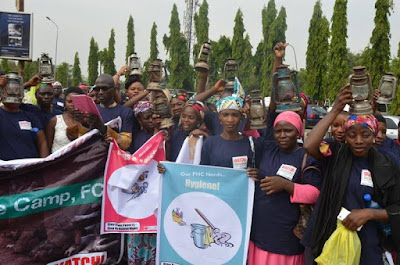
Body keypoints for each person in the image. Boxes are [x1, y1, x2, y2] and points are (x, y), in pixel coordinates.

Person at [303, 86, 400, 265]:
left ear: (373, 135)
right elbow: (309, 146)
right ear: (345, 136)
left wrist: (369, 213)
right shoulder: (335, 153)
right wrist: (335, 110)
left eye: (365, 135)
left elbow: (396, 208)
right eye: (352, 135)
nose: (358, 141)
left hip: (368, 247)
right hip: (331, 242)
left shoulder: (386, 163)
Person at [249, 111, 322, 265]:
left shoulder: (306, 156)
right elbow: (246, 133)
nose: (282, 135)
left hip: (286, 235)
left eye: (288, 131)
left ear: (298, 132)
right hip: (260, 229)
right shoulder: (267, 148)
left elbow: (315, 193)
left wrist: (286, 185)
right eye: (278, 131)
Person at [0, 73, 49, 160]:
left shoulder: (30, 116)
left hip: (29, 169)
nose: (13, 95)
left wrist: (44, 164)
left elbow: (42, 142)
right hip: (5, 170)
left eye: (16, 92)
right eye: (9, 92)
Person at [200, 96, 254, 168]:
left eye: (235, 115)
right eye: (225, 115)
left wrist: (254, 172)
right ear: (219, 117)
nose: (230, 120)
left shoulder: (249, 143)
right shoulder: (210, 143)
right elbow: (203, 172)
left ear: (241, 117)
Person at [85, 74, 133, 151]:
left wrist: (103, 128)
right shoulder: (91, 111)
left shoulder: (125, 112)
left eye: (104, 88)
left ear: (114, 90)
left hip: (116, 159)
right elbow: (82, 138)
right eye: (97, 89)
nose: (100, 92)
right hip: (94, 157)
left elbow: (126, 143)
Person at [46, 87, 88, 153]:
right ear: (65, 102)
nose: (73, 104)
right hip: (59, 161)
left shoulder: (88, 121)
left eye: (76, 101)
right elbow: (47, 147)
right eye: (69, 101)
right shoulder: (54, 121)